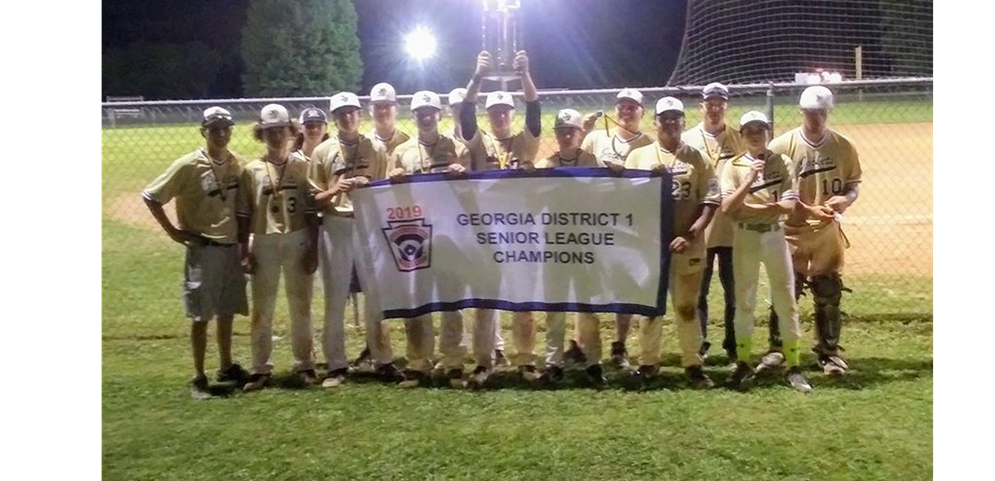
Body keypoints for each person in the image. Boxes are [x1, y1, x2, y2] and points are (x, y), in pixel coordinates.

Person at [142, 106, 251, 399]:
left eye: (225, 127)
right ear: (203, 131)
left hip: (230, 247)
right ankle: (199, 376)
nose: (220, 133)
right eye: (214, 128)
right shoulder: (188, 165)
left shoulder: (238, 164)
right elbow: (151, 196)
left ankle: (226, 366)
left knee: (227, 310)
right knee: (201, 315)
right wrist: (173, 232)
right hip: (203, 247)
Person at [763, 86, 862, 376]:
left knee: (829, 290)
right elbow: (773, 193)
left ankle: (829, 353)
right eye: (810, 113)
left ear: (827, 112)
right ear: (801, 112)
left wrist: (846, 199)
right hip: (789, 230)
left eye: (821, 112)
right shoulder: (781, 146)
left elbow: (853, 184)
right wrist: (808, 209)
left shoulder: (844, 146)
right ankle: (778, 349)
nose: (816, 118)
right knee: (786, 289)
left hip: (826, 231)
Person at [620, 97, 718, 388]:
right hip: (649, 247)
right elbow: (627, 199)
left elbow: (710, 201)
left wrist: (691, 235)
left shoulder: (698, 158)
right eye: (665, 118)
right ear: (656, 122)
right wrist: (648, 180)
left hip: (687, 243)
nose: (671, 123)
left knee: (687, 307)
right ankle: (648, 362)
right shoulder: (639, 156)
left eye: (676, 117)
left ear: (683, 122)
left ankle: (693, 364)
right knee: (650, 309)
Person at [720, 110, 812, 393]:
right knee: (744, 301)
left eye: (760, 128)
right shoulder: (733, 166)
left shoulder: (782, 162)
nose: (755, 134)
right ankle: (744, 363)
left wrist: (751, 207)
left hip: (774, 236)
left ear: (768, 132)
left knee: (786, 301)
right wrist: (749, 181)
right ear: (742, 134)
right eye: (749, 130)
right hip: (745, 236)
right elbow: (726, 207)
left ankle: (794, 366)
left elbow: (788, 206)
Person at [236, 104, 320, 392]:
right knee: (263, 308)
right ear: (262, 133)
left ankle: (305, 363)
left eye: (280, 130)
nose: (275, 136)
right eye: (269, 131)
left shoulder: (302, 164)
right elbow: (244, 215)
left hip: (297, 237)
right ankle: (260, 368)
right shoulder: (251, 170)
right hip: (264, 240)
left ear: (290, 131)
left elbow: (312, 211)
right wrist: (244, 252)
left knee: (301, 306)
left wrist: (314, 248)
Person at [682, 82, 743, 363]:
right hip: (700, 227)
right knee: (698, 292)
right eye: (710, 103)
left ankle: (733, 345)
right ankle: (700, 344)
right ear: (702, 106)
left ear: (725, 106)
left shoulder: (740, 137)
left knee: (734, 292)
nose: (715, 108)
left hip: (732, 227)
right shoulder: (688, 139)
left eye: (720, 103)